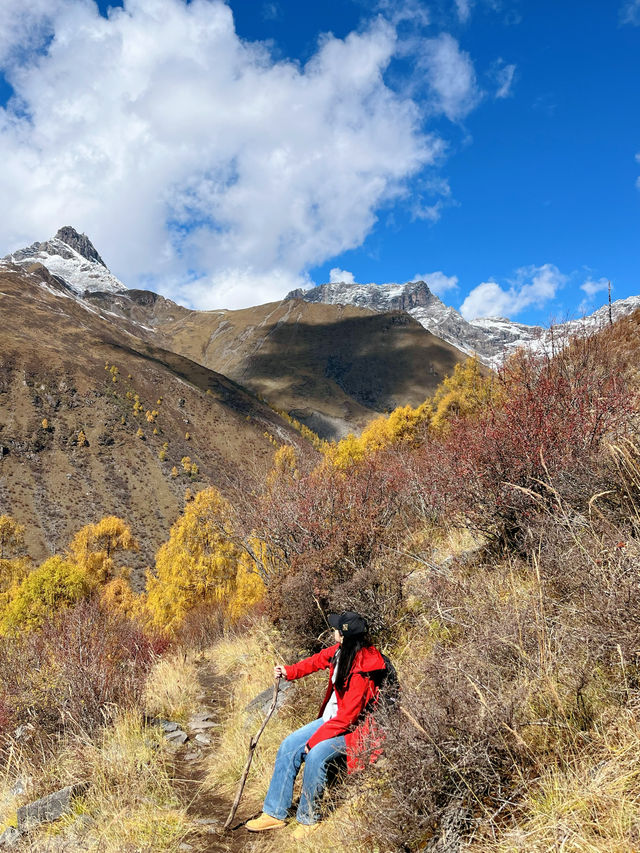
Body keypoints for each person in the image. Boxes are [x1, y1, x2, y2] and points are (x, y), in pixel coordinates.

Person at [245, 610, 386, 838]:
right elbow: (316, 660)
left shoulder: (363, 667)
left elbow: (349, 717)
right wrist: (289, 671)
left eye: (336, 628)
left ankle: (309, 819)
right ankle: (274, 813)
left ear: (343, 635)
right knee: (289, 746)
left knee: (316, 755)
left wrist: (315, 741)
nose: (333, 630)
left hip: (356, 730)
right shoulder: (342, 651)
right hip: (333, 720)